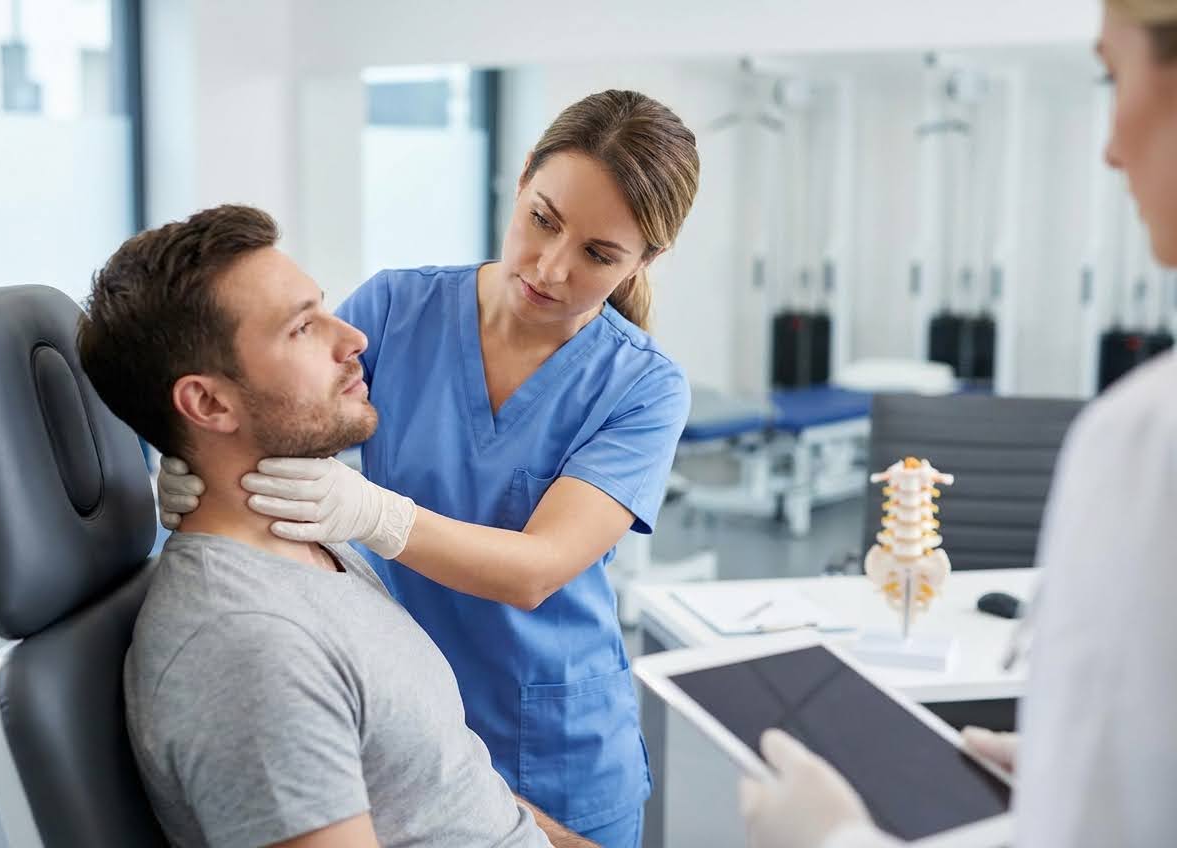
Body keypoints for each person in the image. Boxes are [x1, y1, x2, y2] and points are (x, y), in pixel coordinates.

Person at [159, 89, 701, 846]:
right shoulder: (395, 308)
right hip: (405, 734)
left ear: (647, 258)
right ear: (520, 182)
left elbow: (537, 569)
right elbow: (292, 403)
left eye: (598, 255)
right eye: (542, 219)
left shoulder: (642, 386)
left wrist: (377, 514)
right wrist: (190, 453)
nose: (549, 265)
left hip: (553, 748)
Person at [740, 2, 1177, 846]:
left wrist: (832, 838)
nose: (1110, 148)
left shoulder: (1147, 438)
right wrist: (1071, 775)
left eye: (1112, 78)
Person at [77, 204, 595, 848]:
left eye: (322, 306)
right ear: (208, 402)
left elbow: (447, 794)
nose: (354, 338)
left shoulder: (318, 544)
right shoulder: (250, 646)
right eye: (302, 328)